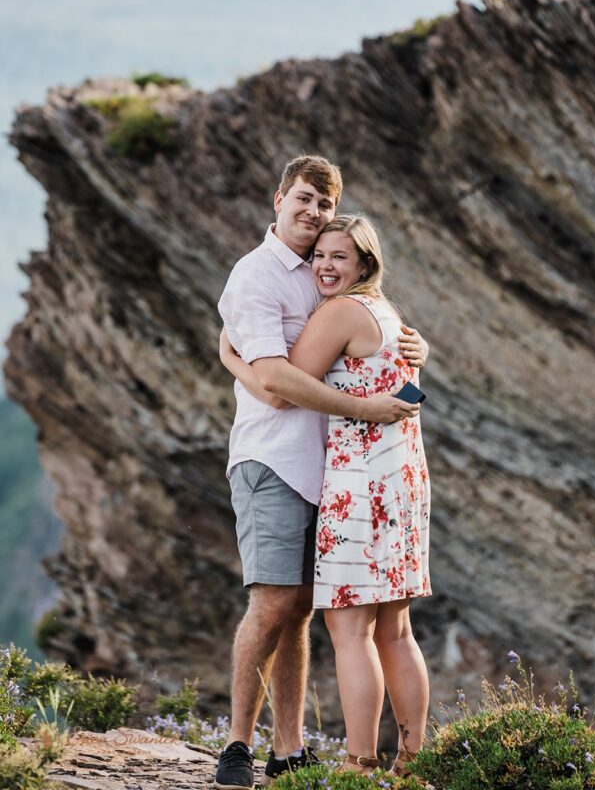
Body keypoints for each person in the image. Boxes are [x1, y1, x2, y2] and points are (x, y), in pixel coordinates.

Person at [214, 156, 427, 790]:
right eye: (304, 199)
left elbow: (352, 355)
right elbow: (278, 388)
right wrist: (242, 364)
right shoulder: (255, 277)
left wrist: (231, 357)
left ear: (358, 258)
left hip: (342, 478)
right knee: (277, 602)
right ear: (277, 198)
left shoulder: (325, 284)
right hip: (277, 462)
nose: (313, 215)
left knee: (313, 613)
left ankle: (292, 749)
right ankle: (237, 746)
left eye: (325, 207)